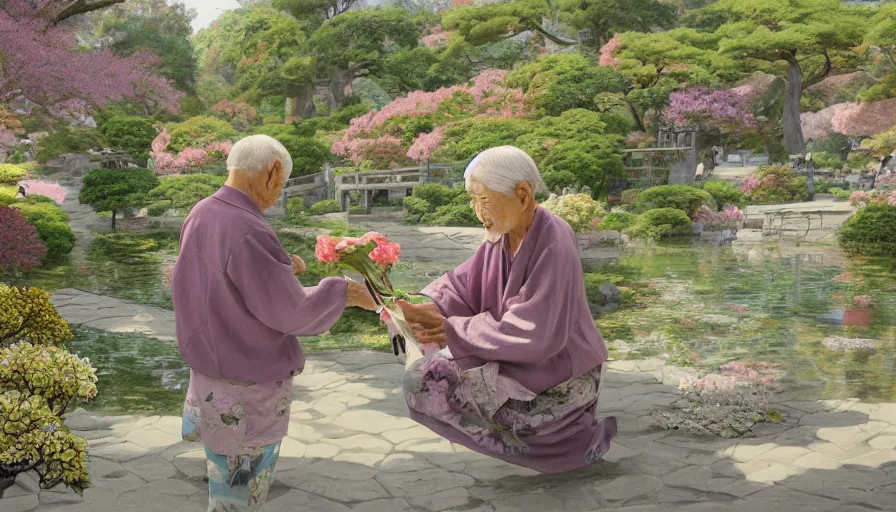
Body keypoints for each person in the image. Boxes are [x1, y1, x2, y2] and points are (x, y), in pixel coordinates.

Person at [171, 134, 376, 511]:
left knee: (225, 481)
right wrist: (344, 291)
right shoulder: (247, 227)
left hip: (212, 371)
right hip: (246, 383)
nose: (277, 195)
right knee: (239, 496)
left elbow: (217, 280)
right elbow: (290, 312)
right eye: (280, 186)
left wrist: (283, 262)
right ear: (273, 171)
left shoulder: (203, 211)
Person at [396, 146, 617, 473]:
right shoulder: (502, 236)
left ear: (523, 195)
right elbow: (462, 284)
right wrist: (426, 309)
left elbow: (537, 333)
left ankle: (560, 448)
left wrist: (453, 329)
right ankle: (522, 447)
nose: (476, 210)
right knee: (424, 377)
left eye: (483, 200)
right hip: (520, 360)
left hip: (559, 374)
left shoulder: (555, 240)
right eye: (472, 200)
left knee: (431, 382)